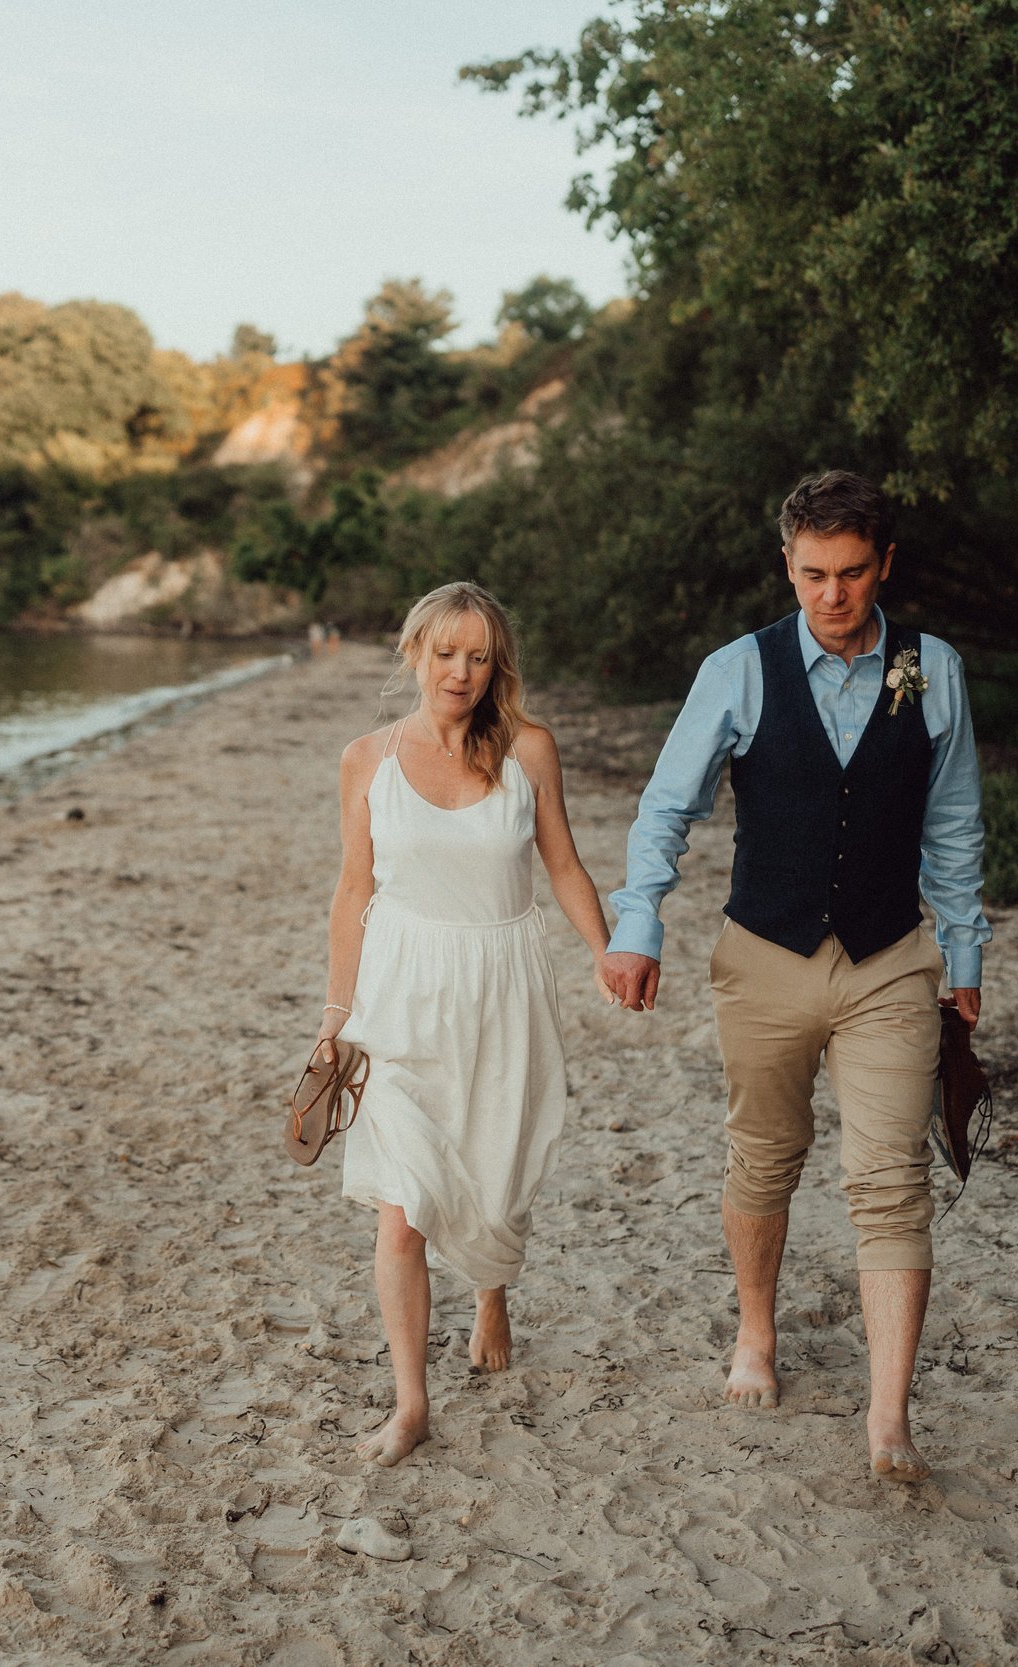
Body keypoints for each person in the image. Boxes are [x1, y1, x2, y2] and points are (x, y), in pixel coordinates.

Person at [601, 469, 989, 1484]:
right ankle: (756, 1332)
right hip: (763, 956)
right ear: (787, 563)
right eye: (812, 573)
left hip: (888, 959)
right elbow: (664, 809)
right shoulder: (735, 669)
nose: (832, 594)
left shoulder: (931, 668)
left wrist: (966, 952)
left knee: (891, 1178)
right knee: (763, 1155)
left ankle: (888, 1418)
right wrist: (636, 924)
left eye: (852, 573)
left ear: (884, 564)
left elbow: (952, 824)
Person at [318, 581, 621, 1467]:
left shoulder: (529, 750)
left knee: (495, 1173)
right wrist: (337, 1016)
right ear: (414, 653)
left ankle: (491, 1285)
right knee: (403, 1206)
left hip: (504, 988)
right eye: (444, 652)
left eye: (478, 655)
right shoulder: (367, 758)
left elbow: (562, 865)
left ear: (499, 665)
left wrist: (605, 949)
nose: (460, 671)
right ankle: (411, 1402)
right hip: (402, 993)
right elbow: (352, 890)